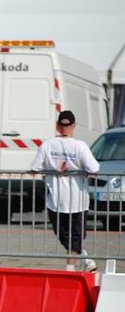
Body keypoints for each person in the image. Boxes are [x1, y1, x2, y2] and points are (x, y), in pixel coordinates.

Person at [30, 110, 100, 272]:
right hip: (77, 198)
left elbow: (34, 168)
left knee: (63, 235)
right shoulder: (80, 146)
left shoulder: (47, 145)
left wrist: (51, 170)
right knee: (74, 236)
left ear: (57, 126)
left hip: (56, 199)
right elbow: (94, 168)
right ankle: (83, 261)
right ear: (74, 126)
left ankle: (72, 267)